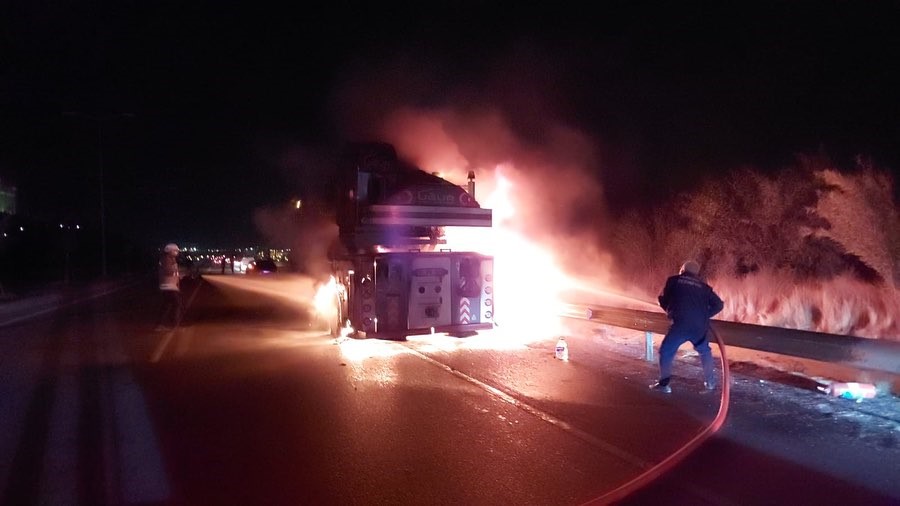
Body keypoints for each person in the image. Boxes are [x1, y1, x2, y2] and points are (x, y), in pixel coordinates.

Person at [649, 260, 724, 394]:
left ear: (682, 270)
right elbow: (719, 305)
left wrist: (669, 309)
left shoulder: (673, 281)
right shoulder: (704, 287)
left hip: (681, 325)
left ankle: (664, 384)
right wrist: (705, 315)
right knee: (705, 351)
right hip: (699, 328)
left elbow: (663, 299)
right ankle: (710, 383)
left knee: (666, 351)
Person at [156, 243, 184, 331]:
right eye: (175, 251)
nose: (176, 252)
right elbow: (168, 271)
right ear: (169, 251)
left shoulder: (171, 259)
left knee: (166, 306)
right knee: (177, 304)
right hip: (168, 285)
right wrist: (178, 274)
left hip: (170, 285)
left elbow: (173, 271)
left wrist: (179, 275)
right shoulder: (166, 259)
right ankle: (174, 325)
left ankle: (160, 325)